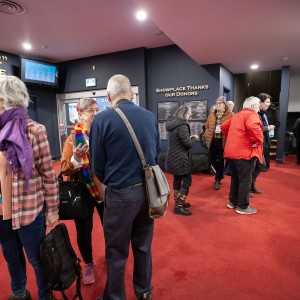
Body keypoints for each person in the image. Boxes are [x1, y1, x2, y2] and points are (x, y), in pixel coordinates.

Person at [90, 74, 159, 300]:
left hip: (120, 195)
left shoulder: (101, 120)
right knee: (143, 245)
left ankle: (115, 297)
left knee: (116, 251)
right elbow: (156, 154)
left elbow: (97, 166)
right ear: (131, 94)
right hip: (148, 193)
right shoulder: (149, 117)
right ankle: (144, 290)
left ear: (109, 96)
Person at [0, 75, 59, 300]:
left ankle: (46, 295)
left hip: (29, 210)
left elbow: (48, 174)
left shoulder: (35, 130)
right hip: (2, 211)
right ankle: (19, 292)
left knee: (37, 259)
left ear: (5, 100)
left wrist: (52, 210)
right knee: (12, 257)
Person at [61, 97, 104, 285]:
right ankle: (88, 263)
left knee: (111, 227)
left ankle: (113, 256)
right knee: (84, 232)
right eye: (90, 111)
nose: (95, 114)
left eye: (96, 110)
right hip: (83, 190)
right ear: (80, 114)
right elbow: (64, 169)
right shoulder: (72, 139)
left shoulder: (103, 133)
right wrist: (76, 159)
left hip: (103, 189)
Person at [221, 96, 263, 215]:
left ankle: (232, 202)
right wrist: (258, 142)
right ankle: (243, 206)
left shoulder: (237, 115)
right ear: (253, 106)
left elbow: (224, 126)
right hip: (244, 153)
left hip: (232, 152)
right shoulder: (252, 115)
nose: (258, 108)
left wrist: (233, 138)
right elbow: (254, 129)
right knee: (245, 179)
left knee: (235, 177)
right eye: (258, 105)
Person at [165, 104, 199, 216]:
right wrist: (194, 138)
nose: (190, 115)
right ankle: (179, 206)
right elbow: (187, 144)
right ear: (185, 114)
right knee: (187, 181)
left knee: (177, 179)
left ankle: (179, 202)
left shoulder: (172, 124)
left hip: (173, 157)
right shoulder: (183, 125)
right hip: (181, 159)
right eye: (189, 113)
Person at [204, 96, 234, 190]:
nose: (217, 104)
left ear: (224, 104)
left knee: (221, 161)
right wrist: (207, 133)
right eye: (216, 103)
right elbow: (207, 125)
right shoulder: (212, 114)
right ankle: (220, 173)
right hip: (213, 141)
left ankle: (217, 179)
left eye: (220, 103)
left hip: (223, 141)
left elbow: (233, 128)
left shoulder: (230, 115)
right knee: (212, 160)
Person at [251, 93, 275, 194]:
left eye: (269, 102)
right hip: (255, 144)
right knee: (254, 166)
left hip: (263, 142)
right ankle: (247, 186)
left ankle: (251, 185)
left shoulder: (263, 113)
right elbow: (254, 128)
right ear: (260, 102)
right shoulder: (255, 113)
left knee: (260, 165)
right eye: (267, 102)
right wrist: (267, 128)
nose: (269, 104)